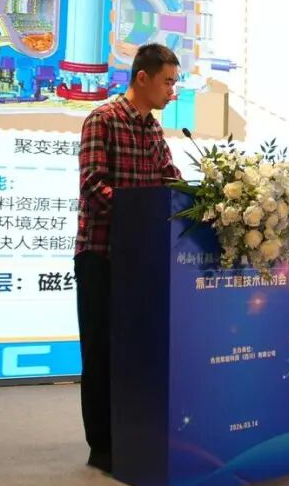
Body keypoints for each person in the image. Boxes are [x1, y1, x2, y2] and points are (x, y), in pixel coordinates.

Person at [75, 43, 183, 472]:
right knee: (101, 354)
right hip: (101, 256)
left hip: (143, 260)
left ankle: (135, 439)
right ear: (142, 77)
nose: (172, 91)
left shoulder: (153, 130)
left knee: (137, 354)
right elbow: (93, 186)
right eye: (168, 82)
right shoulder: (102, 119)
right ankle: (102, 447)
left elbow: (169, 180)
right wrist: (139, 216)